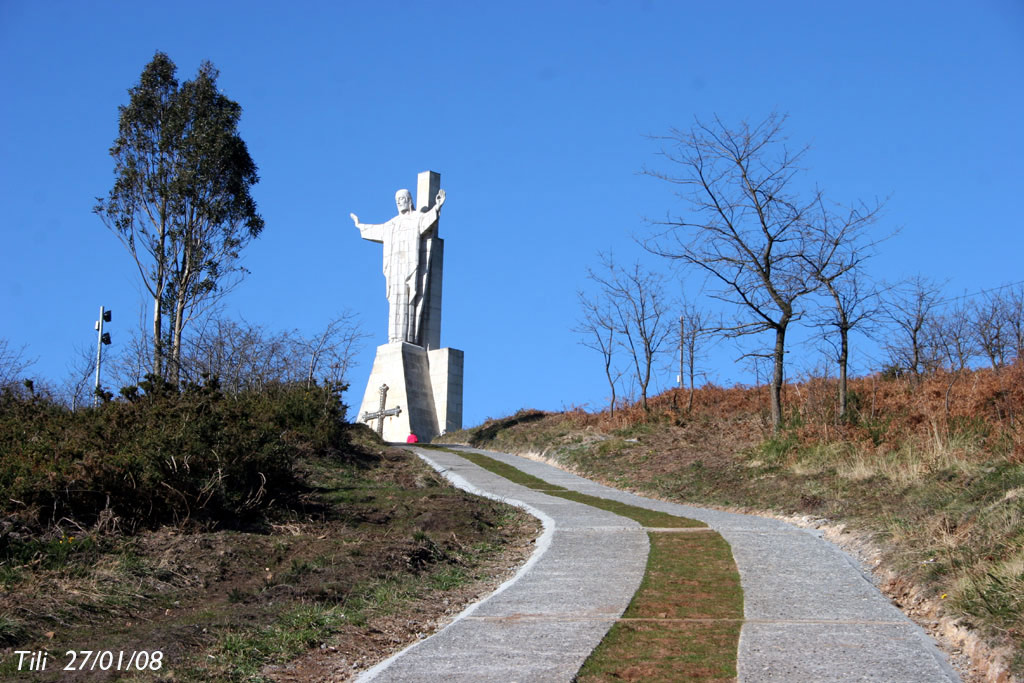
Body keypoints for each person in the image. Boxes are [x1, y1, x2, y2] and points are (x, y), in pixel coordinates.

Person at [351, 188, 445, 344]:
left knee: (408, 299)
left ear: (409, 200)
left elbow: (427, 220)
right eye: (397, 200)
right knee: (395, 303)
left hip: (410, 270)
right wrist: (360, 225)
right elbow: (376, 230)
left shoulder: (417, 218)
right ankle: (394, 338)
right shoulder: (392, 224)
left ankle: (407, 338)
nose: (399, 202)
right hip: (395, 271)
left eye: (402, 198)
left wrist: (437, 206)